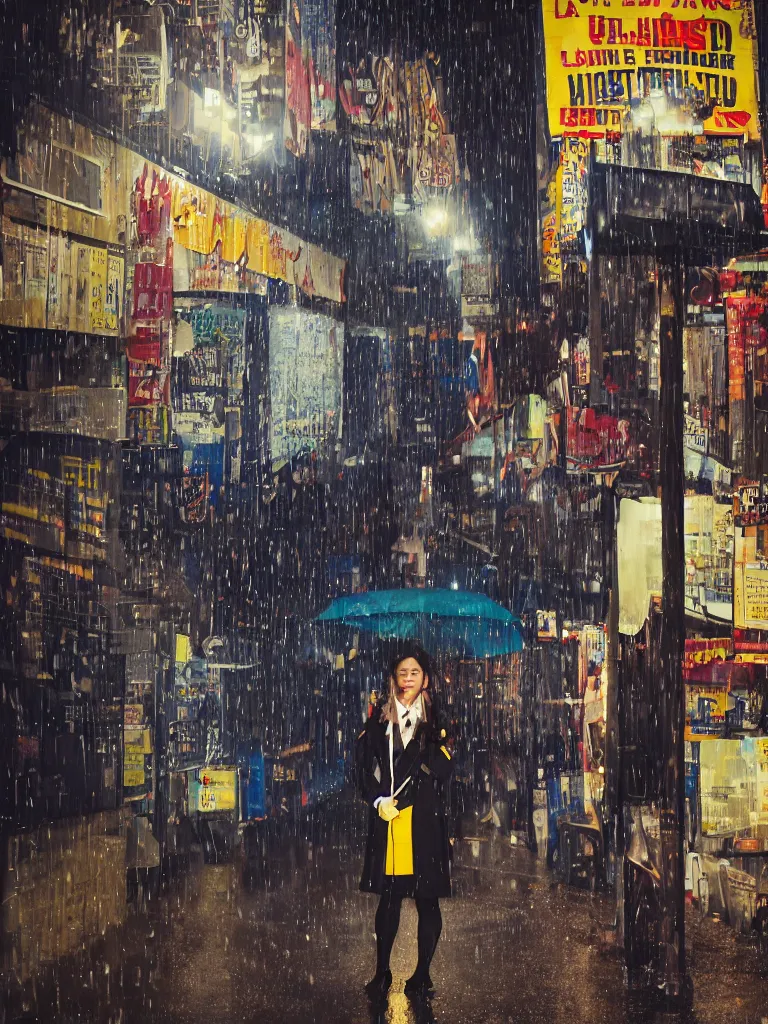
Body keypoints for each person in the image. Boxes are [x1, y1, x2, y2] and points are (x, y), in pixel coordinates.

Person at [356, 644, 453, 1004]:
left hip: (424, 823)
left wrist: (432, 747)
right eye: (402, 673)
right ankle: (382, 970)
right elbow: (361, 770)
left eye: (415, 673)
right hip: (391, 821)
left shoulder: (437, 721)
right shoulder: (378, 721)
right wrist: (378, 800)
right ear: (393, 678)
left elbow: (447, 770)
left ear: (425, 679)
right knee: (390, 898)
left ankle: (422, 972)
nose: (408, 679)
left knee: (428, 901)